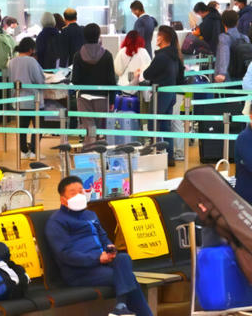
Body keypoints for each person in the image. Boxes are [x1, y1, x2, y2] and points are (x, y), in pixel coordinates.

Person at [45, 176, 153, 316]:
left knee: (124, 258)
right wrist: (97, 258)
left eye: (80, 191)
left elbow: (103, 237)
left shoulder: (90, 215)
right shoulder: (56, 222)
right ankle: (124, 307)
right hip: (79, 272)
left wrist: (110, 248)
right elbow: (65, 254)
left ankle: (121, 308)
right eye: (73, 193)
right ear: (62, 199)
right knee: (127, 277)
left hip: (101, 264)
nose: (79, 195)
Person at [140, 26, 185, 166]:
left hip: (161, 93)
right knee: (166, 126)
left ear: (163, 38)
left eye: (158, 35)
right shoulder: (175, 56)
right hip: (171, 93)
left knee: (154, 123)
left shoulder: (162, 56)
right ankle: (169, 156)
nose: (156, 38)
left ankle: (155, 155)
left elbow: (147, 74)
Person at [71, 24, 115, 146]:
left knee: (89, 129)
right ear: (98, 36)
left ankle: (90, 154)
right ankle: (101, 156)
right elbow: (112, 80)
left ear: (84, 36)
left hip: (84, 97)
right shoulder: (107, 55)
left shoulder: (78, 55)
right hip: (103, 97)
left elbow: (75, 79)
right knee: (102, 130)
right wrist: (112, 100)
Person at [8, 38, 45, 159]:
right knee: (37, 126)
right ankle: (34, 151)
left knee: (21, 127)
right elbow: (39, 80)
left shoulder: (11, 62)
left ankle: (23, 151)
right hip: (34, 100)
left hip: (19, 100)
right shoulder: (31, 61)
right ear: (31, 49)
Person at [214, 10, 251, 83]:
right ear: (237, 22)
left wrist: (222, 73)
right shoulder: (245, 38)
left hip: (229, 76)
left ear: (223, 22)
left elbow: (224, 54)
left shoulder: (224, 38)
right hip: (244, 75)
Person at [114, 30, 151, 95]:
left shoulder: (122, 52)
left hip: (123, 86)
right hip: (139, 87)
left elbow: (118, 71)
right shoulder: (143, 52)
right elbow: (149, 69)